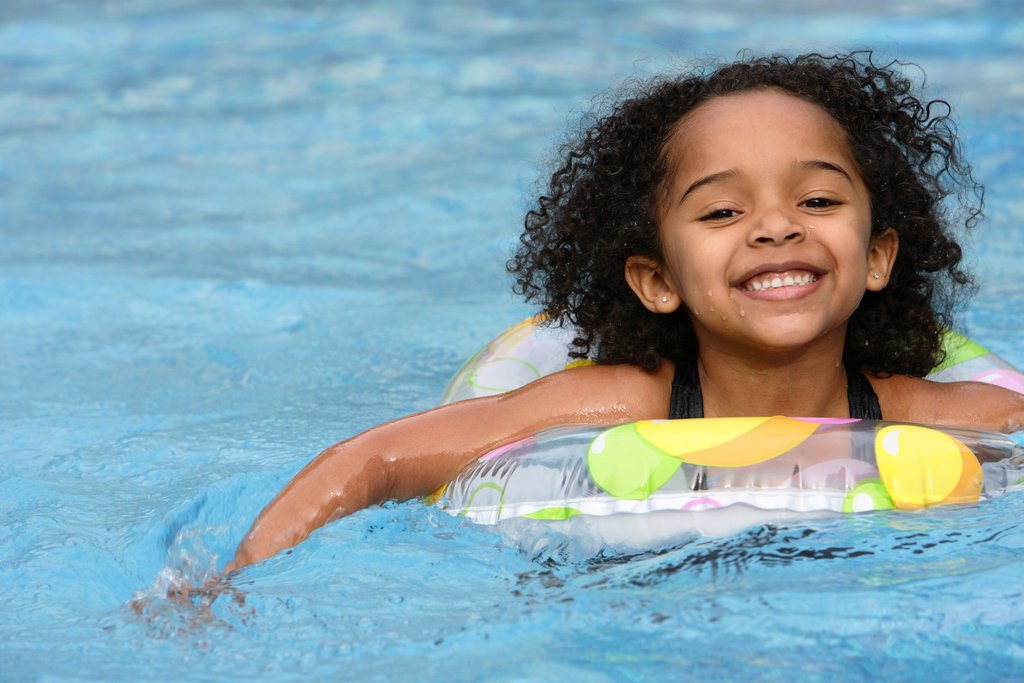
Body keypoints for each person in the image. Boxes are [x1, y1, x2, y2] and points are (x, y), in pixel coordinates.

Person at [226, 51, 1024, 572]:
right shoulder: (617, 401)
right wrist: (228, 582)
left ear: (877, 256)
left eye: (817, 200)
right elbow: (377, 460)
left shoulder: (936, 414)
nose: (776, 226)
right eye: (721, 212)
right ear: (657, 279)